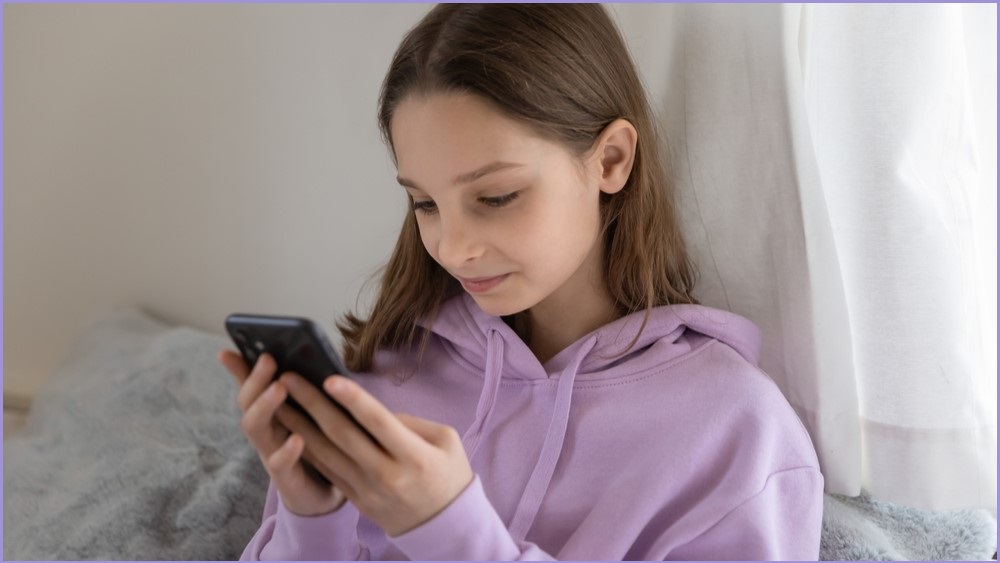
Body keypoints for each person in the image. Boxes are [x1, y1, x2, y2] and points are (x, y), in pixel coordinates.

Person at [218, 4, 824, 560]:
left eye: (496, 196)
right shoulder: (391, 374)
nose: (452, 248)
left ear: (610, 160)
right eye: (425, 203)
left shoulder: (735, 431)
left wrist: (450, 531)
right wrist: (312, 515)